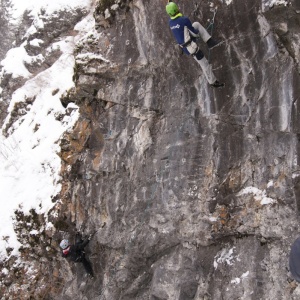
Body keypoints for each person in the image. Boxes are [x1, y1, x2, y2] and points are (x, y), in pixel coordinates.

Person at [166, 1, 224, 88]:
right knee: (204, 64)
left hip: (184, 47)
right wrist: (198, 35)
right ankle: (213, 82)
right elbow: (194, 33)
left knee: (196, 24)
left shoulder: (170, 22)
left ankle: (210, 42)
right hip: (192, 47)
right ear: (177, 9)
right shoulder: (184, 20)